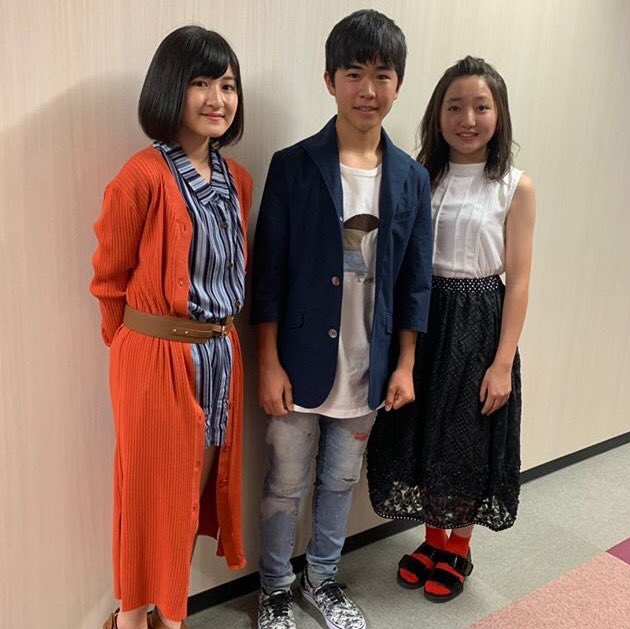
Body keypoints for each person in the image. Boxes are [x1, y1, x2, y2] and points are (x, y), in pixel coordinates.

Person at [250, 9, 432, 629]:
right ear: (329, 80)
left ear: (399, 85)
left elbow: (415, 280)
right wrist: (268, 362)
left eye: (382, 75)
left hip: (367, 364)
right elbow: (268, 275)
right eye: (354, 74)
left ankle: (322, 579)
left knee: (339, 483)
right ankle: (274, 587)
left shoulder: (411, 178)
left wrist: (405, 364)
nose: (368, 89)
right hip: (298, 364)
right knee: (284, 482)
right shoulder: (294, 165)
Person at [90, 25, 252, 629]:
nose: (217, 98)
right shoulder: (141, 176)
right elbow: (108, 279)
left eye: (227, 85)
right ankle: (131, 618)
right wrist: (133, 351)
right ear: (170, 89)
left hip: (220, 356)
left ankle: (170, 614)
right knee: (146, 496)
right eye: (200, 83)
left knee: (191, 491)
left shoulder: (238, 180)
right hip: (154, 359)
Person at [367, 55, 537, 603]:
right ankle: (431, 539)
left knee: (465, 440)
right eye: (454, 107)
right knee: (420, 433)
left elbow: (519, 281)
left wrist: (502, 363)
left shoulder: (514, 186)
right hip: (423, 318)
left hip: (480, 322)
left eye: (481, 107)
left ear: (498, 114)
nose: (467, 119)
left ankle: (457, 548)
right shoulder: (421, 176)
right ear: (437, 115)